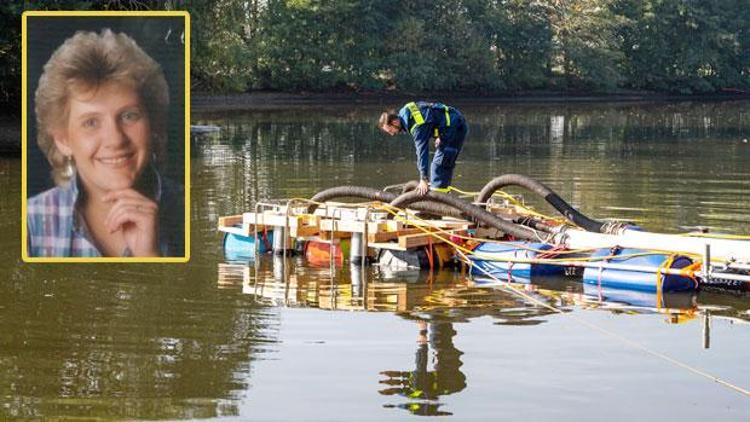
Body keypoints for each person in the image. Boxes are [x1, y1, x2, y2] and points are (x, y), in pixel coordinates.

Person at [27, 29, 183, 257]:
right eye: (91, 122)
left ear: (152, 125)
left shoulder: (191, 211)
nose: (115, 139)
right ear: (63, 140)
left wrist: (150, 258)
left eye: (129, 116)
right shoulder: (31, 223)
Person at [379, 101, 468, 195]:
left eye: (390, 130)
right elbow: (432, 116)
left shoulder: (416, 125)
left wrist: (423, 179)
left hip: (456, 128)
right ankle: (444, 197)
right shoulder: (406, 113)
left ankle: (439, 203)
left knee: (438, 166)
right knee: (443, 165)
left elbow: (422, 152)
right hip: (451, 125)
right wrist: (439, 135)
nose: (392, 134)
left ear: (395, 122)